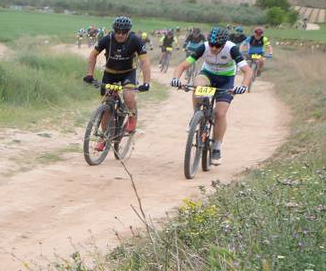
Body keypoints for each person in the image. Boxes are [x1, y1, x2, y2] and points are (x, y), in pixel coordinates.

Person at [171, 26, 251, 162]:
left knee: (220, 114)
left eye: (217, 46)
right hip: (207, 75)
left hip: (226, 80)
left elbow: (248, 71)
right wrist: (176, 79)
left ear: (224, 44)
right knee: (198, 84)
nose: (213, 48)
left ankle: (216, 147)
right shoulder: (204, 47)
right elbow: (183, 66)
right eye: (212, 45)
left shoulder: (232, 49)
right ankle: (196, 114)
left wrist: (243, 86)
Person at [83, 15, 152, 150]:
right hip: (110, 73)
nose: (120, 35)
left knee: (128, 95)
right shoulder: (107, 39)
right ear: (114, 30)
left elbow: (145, 61)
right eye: (117, 32)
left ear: (128, 32)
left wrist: (146, 82)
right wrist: (89, 74)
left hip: (128, 73)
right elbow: (93, 55)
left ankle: (132, 117)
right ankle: (104, 137)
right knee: (106, 106)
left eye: (123, 32)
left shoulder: (135, 40)